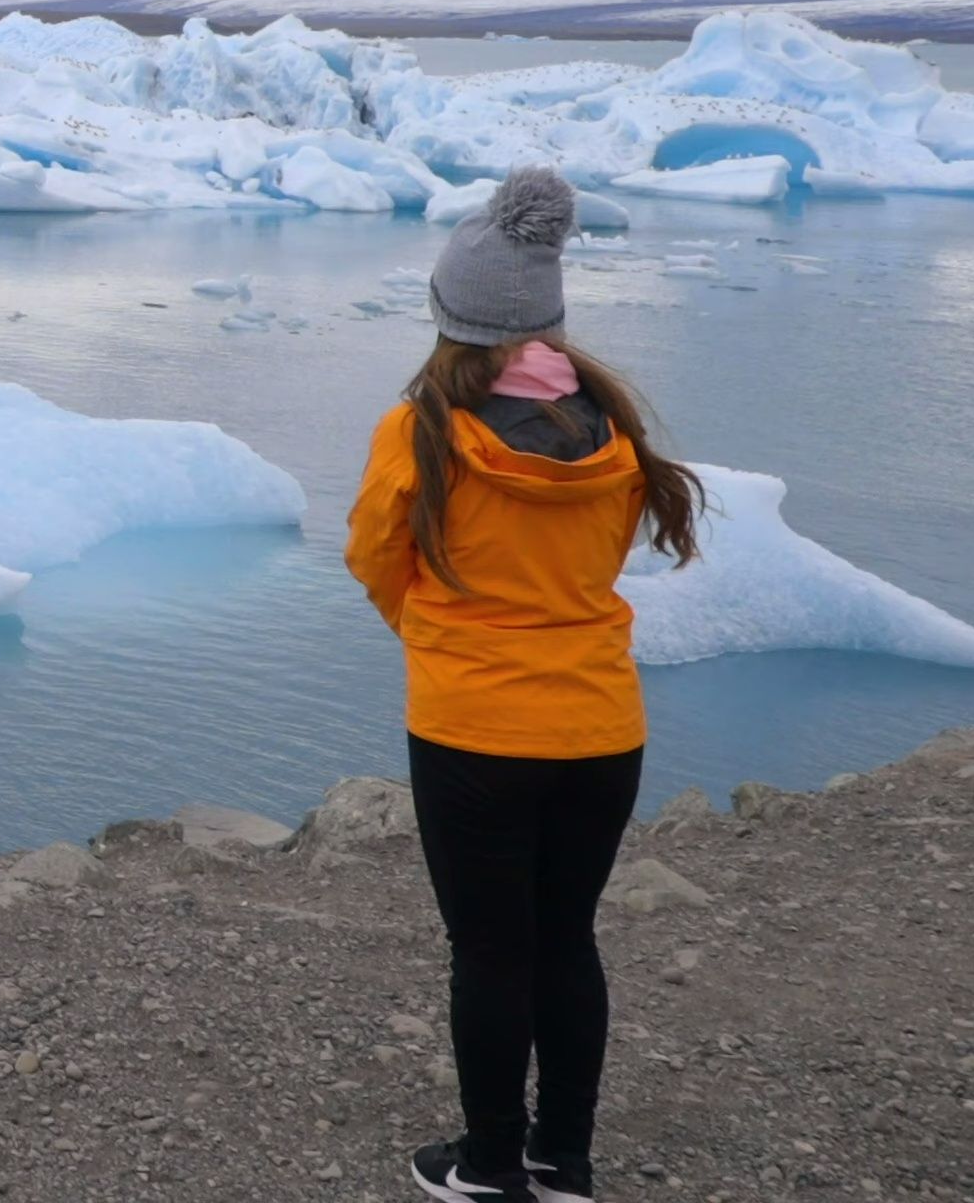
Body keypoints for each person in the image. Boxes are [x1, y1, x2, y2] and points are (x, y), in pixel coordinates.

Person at [345, 167, 704, 1203]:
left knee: (491, 951)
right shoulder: (612, 430)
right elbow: (591, 567)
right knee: (566, 940)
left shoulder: (419, 430)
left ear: (450, 315)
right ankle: (563, 1161)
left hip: (474, 731)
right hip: (600, 727)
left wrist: (439, 635)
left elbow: (374, 556)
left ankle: (492, 1165)